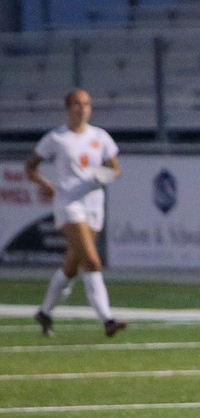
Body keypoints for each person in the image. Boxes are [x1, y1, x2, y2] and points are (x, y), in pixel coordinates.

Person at [26, 88, 127, 338]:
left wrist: (105, 175)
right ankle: (108, 320)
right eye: (77, 104)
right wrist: (45, 185)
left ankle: (45, 312)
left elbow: (115, 169)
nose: (82, 109)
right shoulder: (56, 138)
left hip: (93, 204)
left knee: (72, 265)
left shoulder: (100, 137)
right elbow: (31, 167)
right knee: (92, 261)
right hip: (68, 204)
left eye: (87, 104)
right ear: (68, 108)